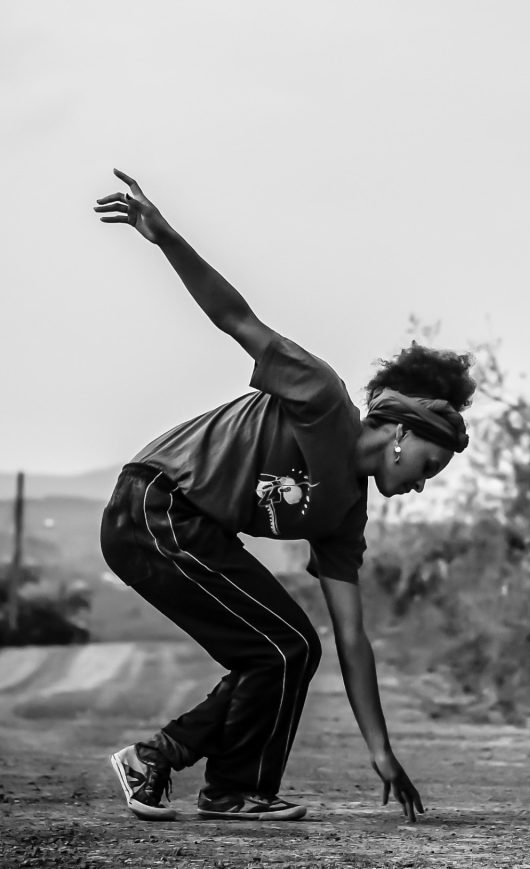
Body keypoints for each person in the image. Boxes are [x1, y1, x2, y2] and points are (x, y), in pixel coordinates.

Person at [95, 169, 475, 823]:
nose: (418, 484)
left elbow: (353, 639)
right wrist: (166, 238)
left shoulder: (344, 514)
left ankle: (194, 771)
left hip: (196, 529)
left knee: (291, 645)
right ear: (400, 432)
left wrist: (381, 749)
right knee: (280, 644)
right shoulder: (323, 399)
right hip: (154, 506)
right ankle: (200, 773)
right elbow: (235, 317)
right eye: (427, 465)